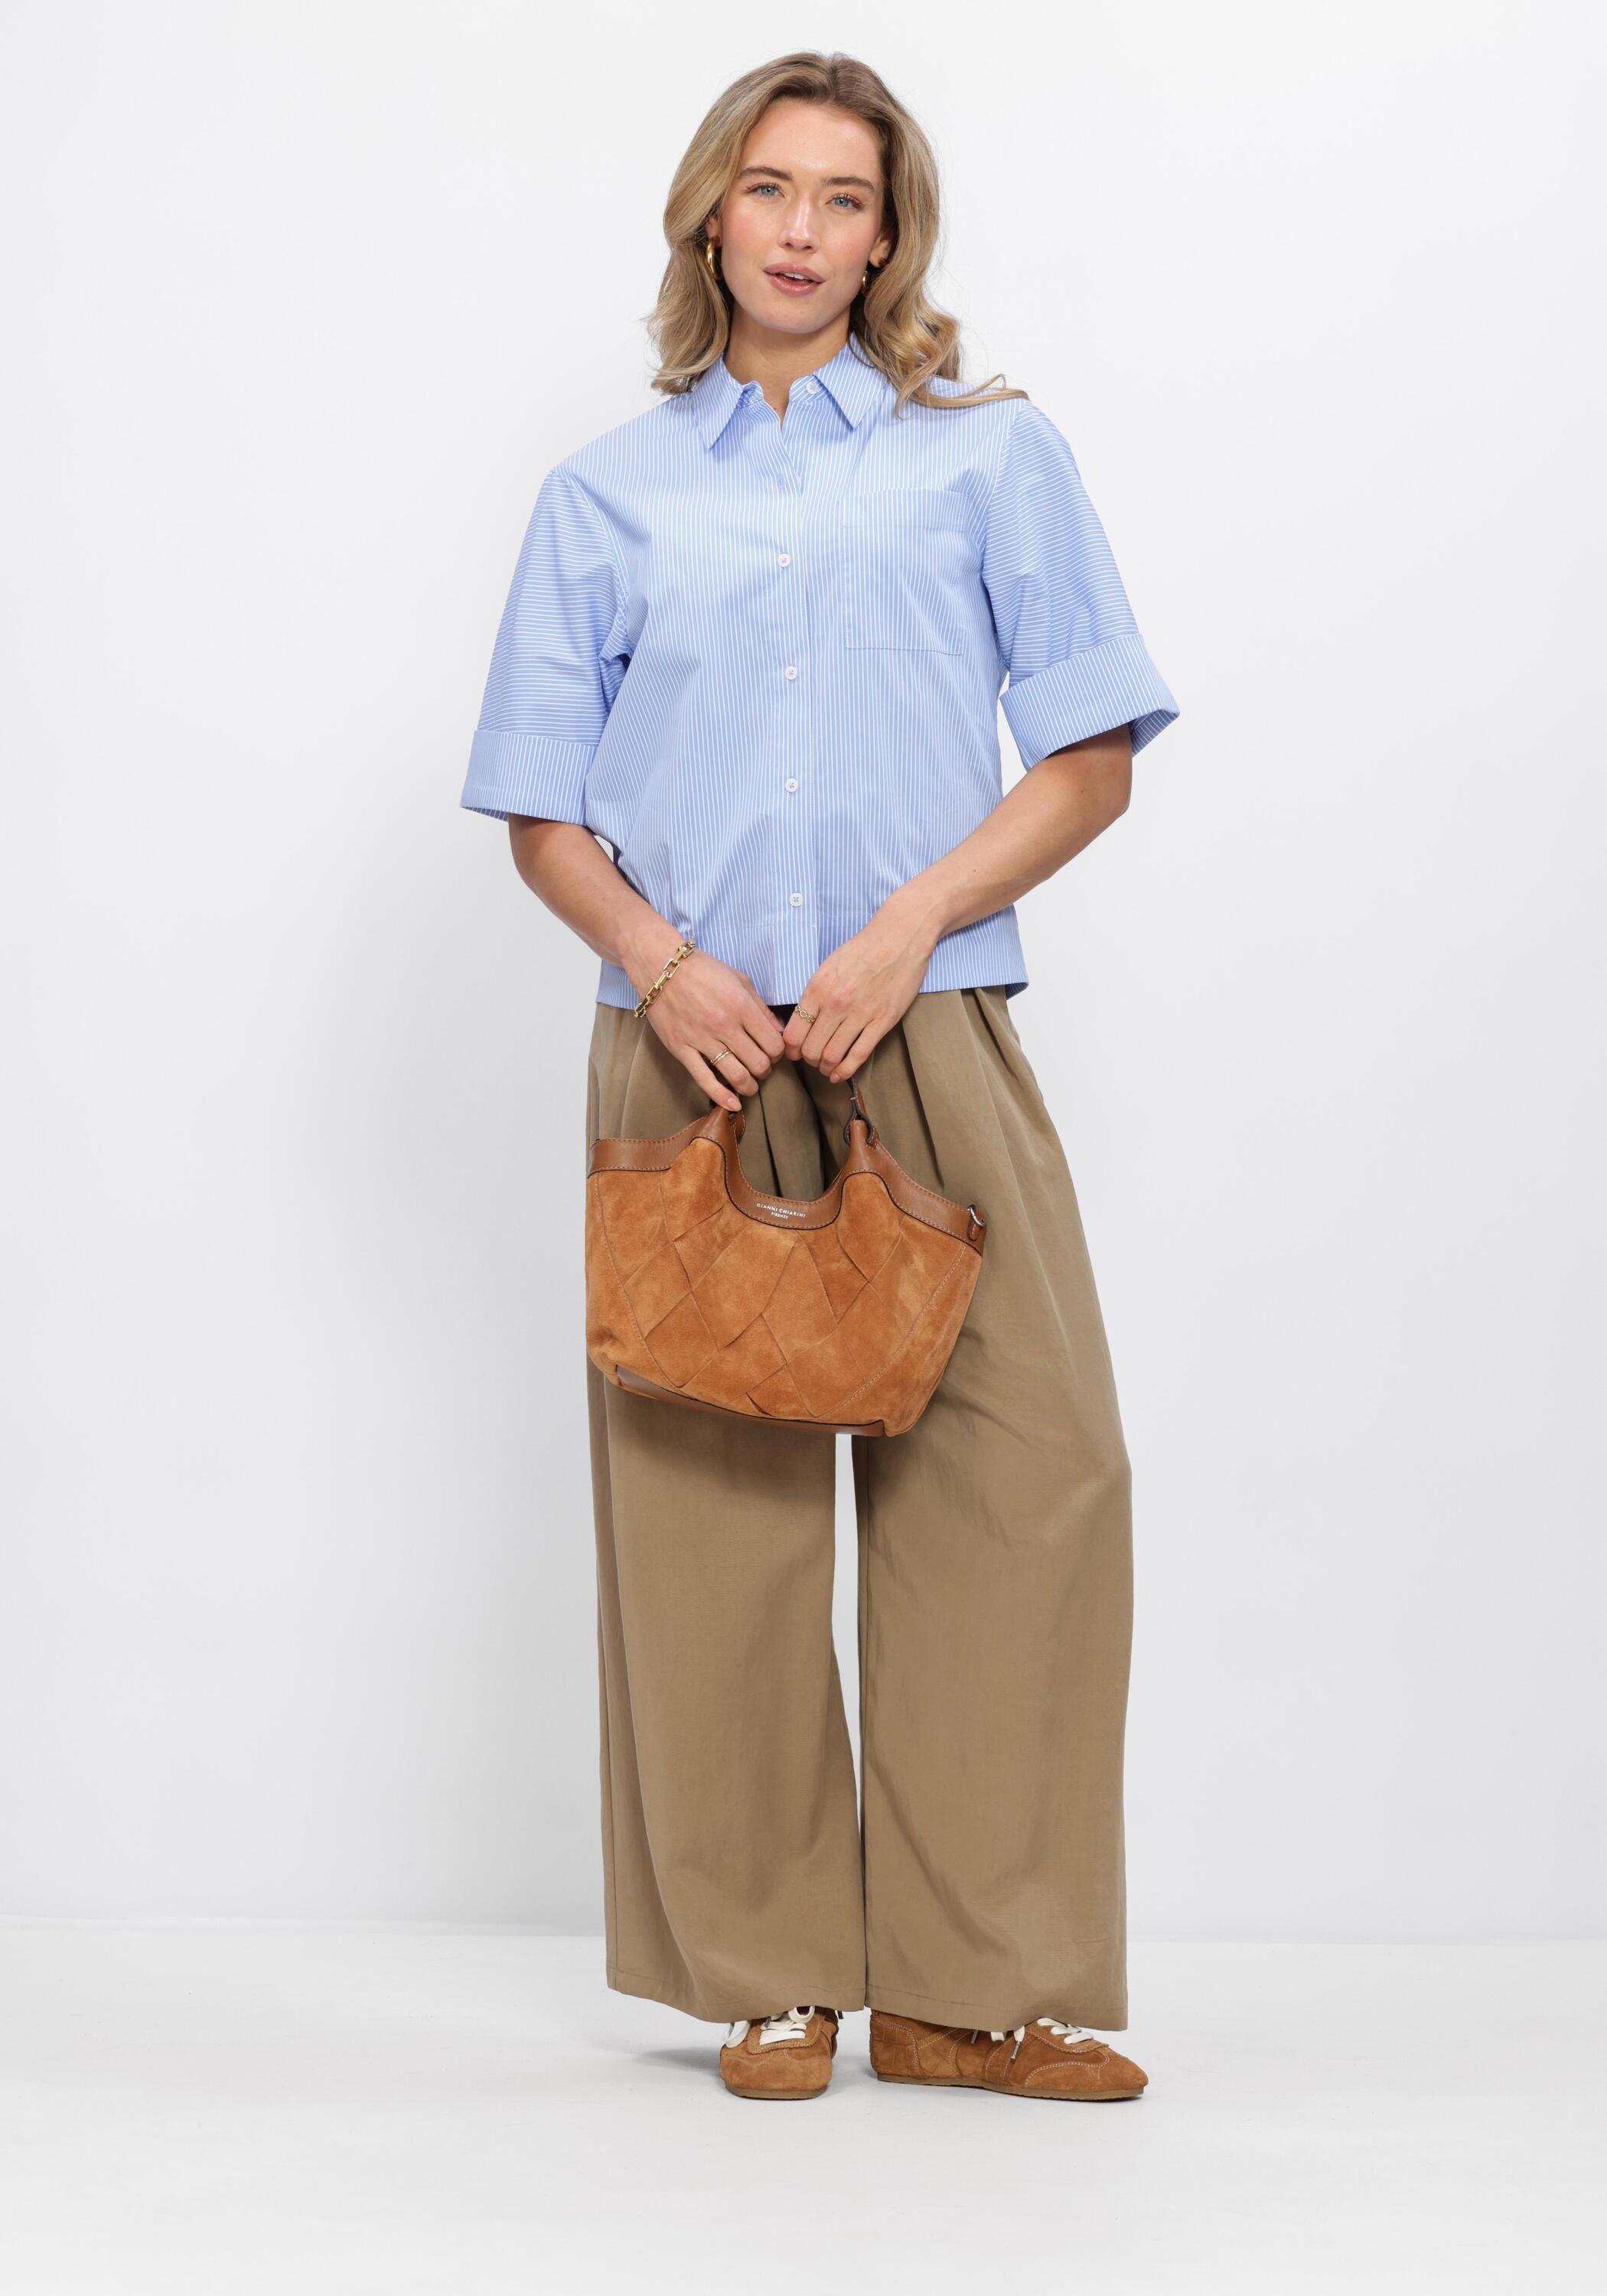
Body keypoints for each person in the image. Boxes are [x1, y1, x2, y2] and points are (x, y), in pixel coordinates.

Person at [459, 51, 1179, 2104]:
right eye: (767, 188)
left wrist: (906, 928)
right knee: (713, 1511)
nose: (800, 228)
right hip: (687, 1039)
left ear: (887, 239)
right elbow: (540, 813)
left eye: (843, 199)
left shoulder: (988, 458)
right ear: (712, 214)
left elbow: (1090, 757)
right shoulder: (605, 496)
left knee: (1031, 1476)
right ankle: (767, 1977)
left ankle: (968, 1988)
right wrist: (661, 964)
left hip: (920, 1023)